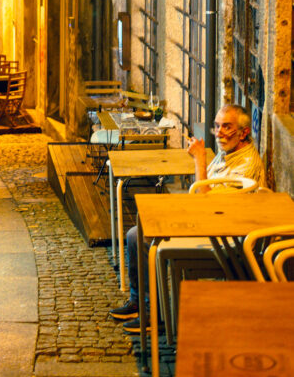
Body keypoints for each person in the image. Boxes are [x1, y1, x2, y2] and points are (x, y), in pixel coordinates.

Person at [109, 103, 266, 333]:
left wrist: (199, 159)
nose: (220, 133)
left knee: (139, 236)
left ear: (243, 133)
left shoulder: (245, 165)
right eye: (217, 126)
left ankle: (151, 313)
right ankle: (141, 303)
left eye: (227, 127)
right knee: (138, 229)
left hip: (222, 238)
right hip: (210, 224)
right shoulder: (228, 154)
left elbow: (208, 203)